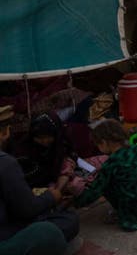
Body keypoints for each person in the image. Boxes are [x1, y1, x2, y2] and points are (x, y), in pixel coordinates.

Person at [0, 106, 79, 253]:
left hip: (11, 216)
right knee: (52, 229)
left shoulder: (60, 148)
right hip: (6, 231)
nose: (44, 141)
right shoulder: (8, 162)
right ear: (5, 132)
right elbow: (26, 210)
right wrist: (51, 196)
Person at [74, 119, 137, 230]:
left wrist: (74, 202)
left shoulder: (112, 163)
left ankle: (125, 211)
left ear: (103, 142)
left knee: (106, 183)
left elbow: (93, 193)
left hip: (134, 215)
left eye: (98, 144)